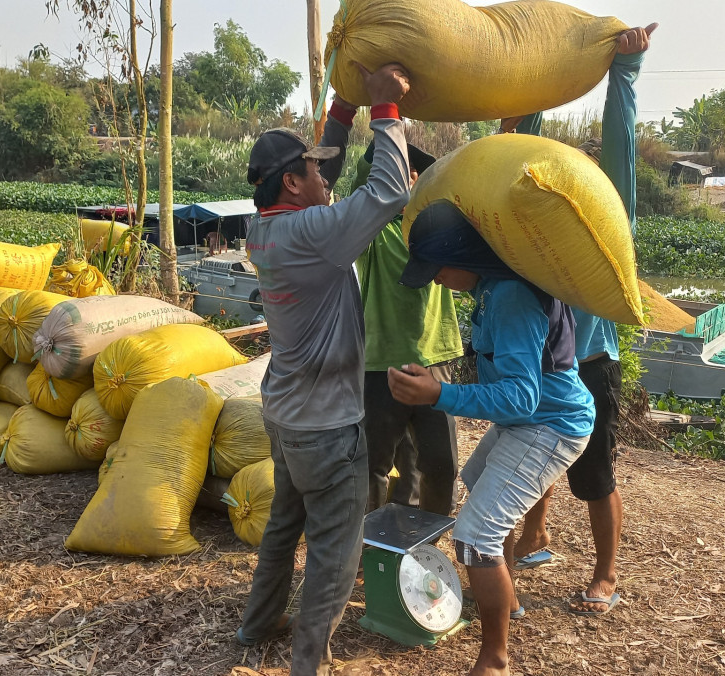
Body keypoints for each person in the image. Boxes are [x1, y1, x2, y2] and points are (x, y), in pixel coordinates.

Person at [234, 62, 413, 676]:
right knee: (334, 555)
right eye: (312, 170)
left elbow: (323, 182)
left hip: (286, 417)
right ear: (291, 183)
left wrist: (341, 112)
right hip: (326, 428)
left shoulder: (265, 229)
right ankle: (308, 664)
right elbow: (388, 193)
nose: (324, 178)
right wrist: (385, 109)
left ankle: (255, 626)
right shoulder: (313, 235)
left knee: (284, 526)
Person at [388, 200, 595, 676]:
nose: (437, 281)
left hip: (550, 425)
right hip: (531, 419)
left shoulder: (511, 298)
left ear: (465, 258)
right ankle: (509, 602)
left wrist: (437, 393)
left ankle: (494, 659)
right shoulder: (492, 288)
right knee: (477, 482)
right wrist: (437, 387)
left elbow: (520, 398)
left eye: (438, 270)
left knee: (476, 538)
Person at [508, 24, 657, 617]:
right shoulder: (532, 228)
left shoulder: (608, 225)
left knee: (593, 472)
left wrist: (625, 74)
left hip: (591, 362)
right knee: (530, 453)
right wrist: (542, 81)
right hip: (538, 358)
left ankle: (606, 573)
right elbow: (518, 151)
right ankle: (538, 535)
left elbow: (620, 149)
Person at [353, 142, 463, 517]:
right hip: (381, 363)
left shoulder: (439, 230)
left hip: (436, 357)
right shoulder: (373, 234)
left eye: (413, 177)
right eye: (398, 176)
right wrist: (383, 139)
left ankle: (421, 544)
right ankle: (368, 547)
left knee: (439, 465)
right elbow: (358, 186)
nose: (407, 185)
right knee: (372, 466)